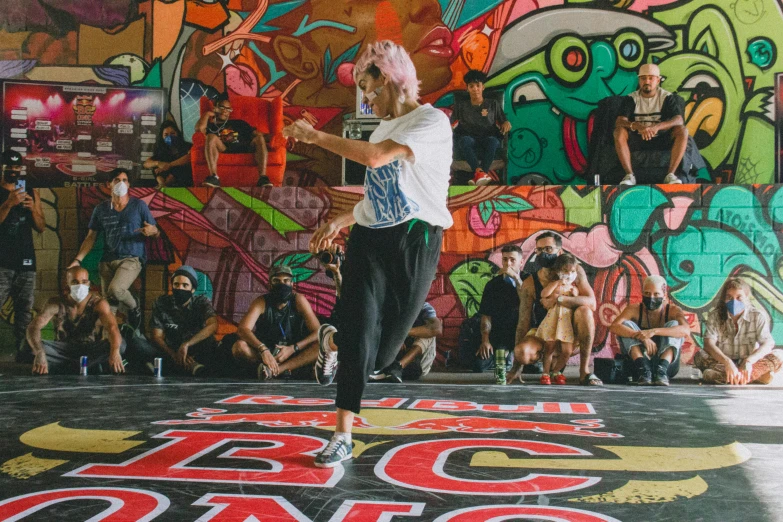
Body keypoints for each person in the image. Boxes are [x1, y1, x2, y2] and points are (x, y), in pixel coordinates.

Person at [282, 40, 452, 468]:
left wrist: (315, 136)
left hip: (416, 239)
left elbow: (377, 160)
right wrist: (341, 221)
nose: (366, 98)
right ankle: (341, 434)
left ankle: (332, 339)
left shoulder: (430, 122)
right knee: (361, 330)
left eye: (369, 87)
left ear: (392, 78)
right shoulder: (379, 129)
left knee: (382, 355)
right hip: (371, 240)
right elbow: (379, 198)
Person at [68, 168, 159, 330]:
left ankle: (134, 307)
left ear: (129, 184)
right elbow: (90, 237)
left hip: (131, 258)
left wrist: (152, 231)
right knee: (109, 307)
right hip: (107, 260)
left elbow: (155, 231)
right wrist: (78, 259)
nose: (121, 183)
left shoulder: (139, 205)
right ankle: (110, 340)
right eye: (117, 180)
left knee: (116, 290)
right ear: (109, 184)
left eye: (124, 180)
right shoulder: (101, 209)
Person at [509, 232, 602, 386]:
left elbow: (591, 303)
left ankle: (584, 371)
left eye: (548, 249)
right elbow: (523, 321)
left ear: (559, 252)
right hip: (545, 335)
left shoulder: (574, 271)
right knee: (522, 353)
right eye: (539, 250)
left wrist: (559, 300)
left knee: (584, 311)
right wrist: (517, 365)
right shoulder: (530, 283)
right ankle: (550, 367)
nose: (543, 254)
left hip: (569, 335)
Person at [21, 266, 125, 375]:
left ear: (89, 284)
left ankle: (63, 367)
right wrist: (40, 353)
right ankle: (86, 366)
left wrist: (115, 352)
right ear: (67, 284)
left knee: (120, 345)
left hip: (89, 350)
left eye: (84, 282)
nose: (80, 286)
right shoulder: (56, 303)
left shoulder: (98, 303)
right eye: (75, 282)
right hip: (62, 350)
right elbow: (34, 326)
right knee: (28, 344)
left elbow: (112, 327)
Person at [223, 265, 321, 380]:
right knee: (239, 347)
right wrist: (263, 349)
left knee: (322, 347)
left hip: (292, 352)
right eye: (277, 281)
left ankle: (277, 370)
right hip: (267, 352)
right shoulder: (261, 302)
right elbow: (242, 329)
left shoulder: (298, 300)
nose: (282, 284)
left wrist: (293, 348)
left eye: (286, 281)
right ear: (269, 285)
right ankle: (273, 367)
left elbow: (318, 331)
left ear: (292, 284)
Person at [126, 266, 218, 376]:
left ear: (192, 289)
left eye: (185, 285)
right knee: (137, 343)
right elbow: (156, 336)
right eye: (176, 285)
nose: (180, 288)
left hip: (195, 349)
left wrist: (186, 345)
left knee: (212, 344)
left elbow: (213, 325)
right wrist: (174, 355)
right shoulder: (162, 302)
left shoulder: (201, 302)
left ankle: (173, 367)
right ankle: (188, 367)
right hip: (169, 351)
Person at [694, 278, 783, 385]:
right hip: (723, 362)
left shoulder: (757, 316)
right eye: (729, 298)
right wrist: (727, 362)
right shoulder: (715, 316)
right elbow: (708, 344)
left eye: (739, 297)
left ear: (746, 297)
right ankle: (755, 377)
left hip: (750, 362)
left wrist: (748, 361)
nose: (734, 301)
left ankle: (729, 377)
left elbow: (768, 343)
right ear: (724, 299)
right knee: (699, 356)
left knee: (779, 355)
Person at [614, 63, 689, 186]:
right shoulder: (631, 98)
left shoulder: (667, 97)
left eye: (651, 78)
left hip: (661, 138)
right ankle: (629, 175)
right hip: (638, 138)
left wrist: (656, 127)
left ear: (658, 80)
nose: (647, 81)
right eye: (643, 78)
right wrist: (639, 127)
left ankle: (670, 175)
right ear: (639, 80)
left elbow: (678, 120)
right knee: (619, 131)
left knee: (682, 130)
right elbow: (619, 121)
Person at [0, 149, 45, 353]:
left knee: (24, 312)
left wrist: (32, 208)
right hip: (2, 261)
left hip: (26, 260)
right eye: (9, 167)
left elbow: (41, 226)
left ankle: (23, 353)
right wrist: (8, 204)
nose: (13, 171)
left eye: (17, 167)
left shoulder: (30, 190)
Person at [609, 275, 690, 386]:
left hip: (667, 367)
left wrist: (654, 331)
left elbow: (685, 330)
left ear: (664, 295)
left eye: (656, 294)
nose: (651, 297)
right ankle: (644, 369)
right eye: (647, 293)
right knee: (626, 325)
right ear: (642, 294)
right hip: (637, 366)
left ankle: (661, 371)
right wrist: (641, 336)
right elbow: (614, 326)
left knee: (674, 325)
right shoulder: (634, 309)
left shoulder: (673, 310)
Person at [466, 245, 525, 373]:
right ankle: (504, 354)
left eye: (512, 260)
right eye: (505, 260)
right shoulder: (493, 285)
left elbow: (527, 301)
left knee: (535, 368)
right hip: (500, 334)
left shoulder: (528, 280)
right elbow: (486, 315)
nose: (508, 264)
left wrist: (516, 278)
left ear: (521, 262)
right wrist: (485, 340)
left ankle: (512, 355)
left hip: (523, 333)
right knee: (478, 366)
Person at [451, 69, 511, 186]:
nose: (475, 89)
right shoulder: (461, 106)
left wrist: (506, 123)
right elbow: (451, 123)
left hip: (488, 137)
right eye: (471, 86)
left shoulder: (492, 104)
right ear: (467, 88)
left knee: (493, 141)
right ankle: (481, 173)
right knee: (464, 141)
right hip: (469, 137)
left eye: (478, 85)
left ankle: (478, 174)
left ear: (483, 87)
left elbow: (504, 120)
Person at [195, 93, 268, 188]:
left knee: (260, 138)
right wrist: (208, 113)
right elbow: (199, 129)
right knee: (211, 137)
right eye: (222, 107)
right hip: (224, 148)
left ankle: (263, 177)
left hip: (245, 147)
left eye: (228, 109)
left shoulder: (239, 123)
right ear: (215, 108)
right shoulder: (211, 126)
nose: (225, 111)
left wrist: (279, 136)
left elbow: (259, 134)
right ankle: (214, 177)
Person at [536, 254, 581, 385]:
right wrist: (556, 284)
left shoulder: (573, 287)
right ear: (558, 272)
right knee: (549, 348)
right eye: (566, 271)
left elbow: (577, 299)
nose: (569, 274)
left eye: (572, 272)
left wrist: (574, 293)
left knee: (567, 351)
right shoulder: (555, 284)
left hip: (566, 322)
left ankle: (556, 371)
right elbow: (544, 294)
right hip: (554, 320)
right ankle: (545, 372)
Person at [370, 302, 442, 382]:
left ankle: (398, 367)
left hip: (419, 364)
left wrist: (401, 334)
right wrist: (394, 339)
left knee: (429, 333)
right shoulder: (387, 305)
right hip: (392, 358)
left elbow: (436, 329)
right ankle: (387, 369)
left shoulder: (424, 307)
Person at [143, 121, 193, 189]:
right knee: (157, 166)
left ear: (177, 133)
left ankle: (163, 186)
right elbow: (146, 163)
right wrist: (158, 163)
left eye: (172, 133)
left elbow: (190, 157)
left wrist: (170, 165)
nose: (170, 137)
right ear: (162, 137)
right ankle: (162, 184)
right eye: (166, 135)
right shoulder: (161, 150)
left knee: (179, 167)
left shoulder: (187, 146)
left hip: (183, 180)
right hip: (165, 178)